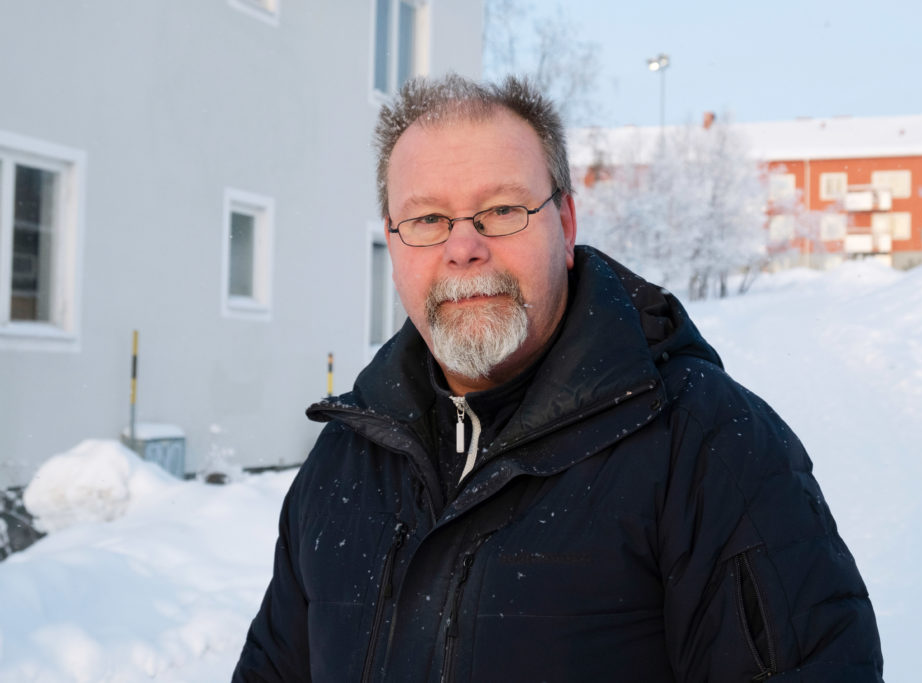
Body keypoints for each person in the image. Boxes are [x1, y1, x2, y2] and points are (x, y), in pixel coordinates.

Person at [233, 74, 883, 682]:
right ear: (394, 242)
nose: (464, 247)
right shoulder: (342, 465)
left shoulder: (709, 447)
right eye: (428, 219)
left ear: (565, 226)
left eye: (502, 209)